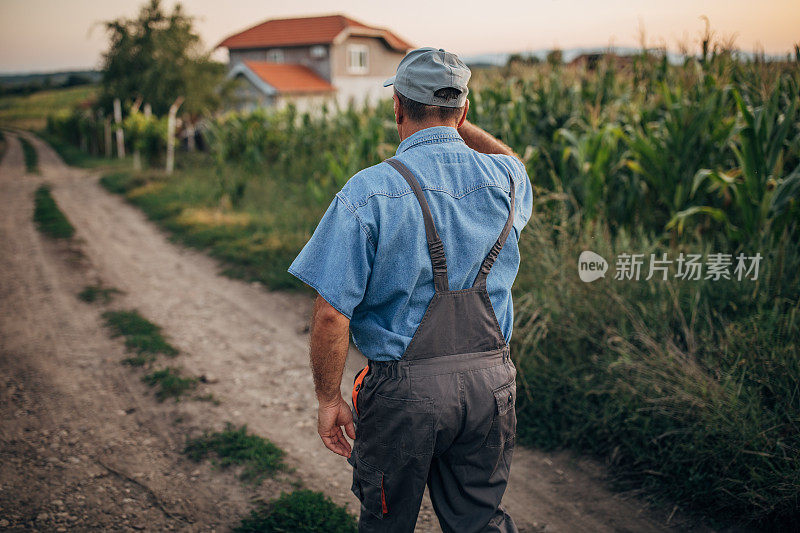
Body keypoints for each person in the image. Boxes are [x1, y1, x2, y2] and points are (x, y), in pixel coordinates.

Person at [288, 47, 533, 533]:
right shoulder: (507, 179)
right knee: (480, 521)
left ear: (397, 106)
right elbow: (510, 157)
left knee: (387, 522)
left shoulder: (368, 192)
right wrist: (454, 126)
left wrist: (328, 399)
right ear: (464, 111)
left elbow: (332, 315)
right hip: (491, 385)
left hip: (405, 398)